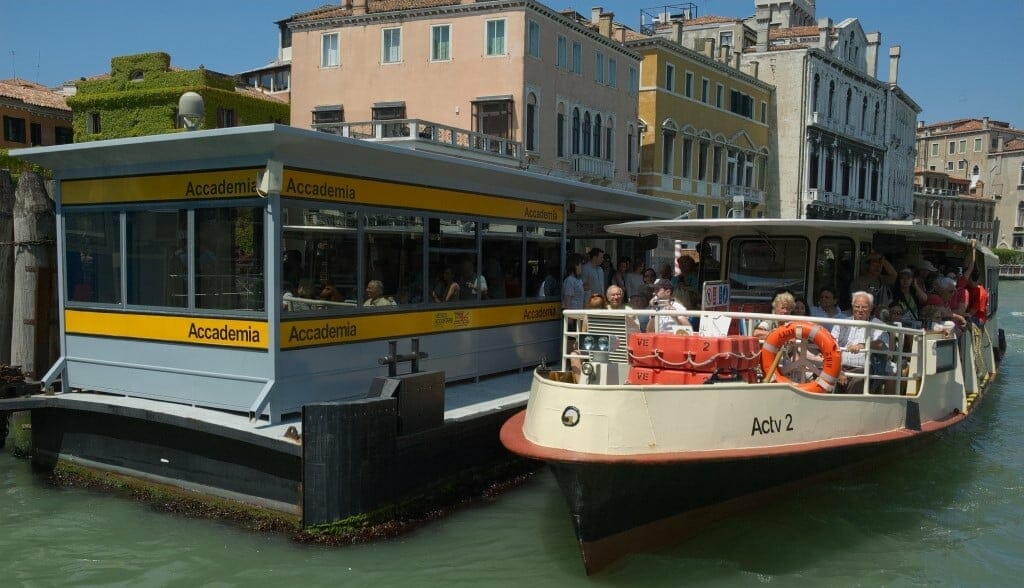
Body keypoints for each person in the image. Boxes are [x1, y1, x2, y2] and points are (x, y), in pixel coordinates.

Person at [831, 291, 890, 394]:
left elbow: (881, 344)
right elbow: (832, 344)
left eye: (864, 307)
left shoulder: (878, 325)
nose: (860, 310)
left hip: (864, 368)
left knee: (857, 381)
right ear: (852, 307)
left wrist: (862, 345)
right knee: (822, 376)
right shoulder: (841, 323)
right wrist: (838, 370)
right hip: (839, 366)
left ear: (871, 308)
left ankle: (850, 408)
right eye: (857, 307)